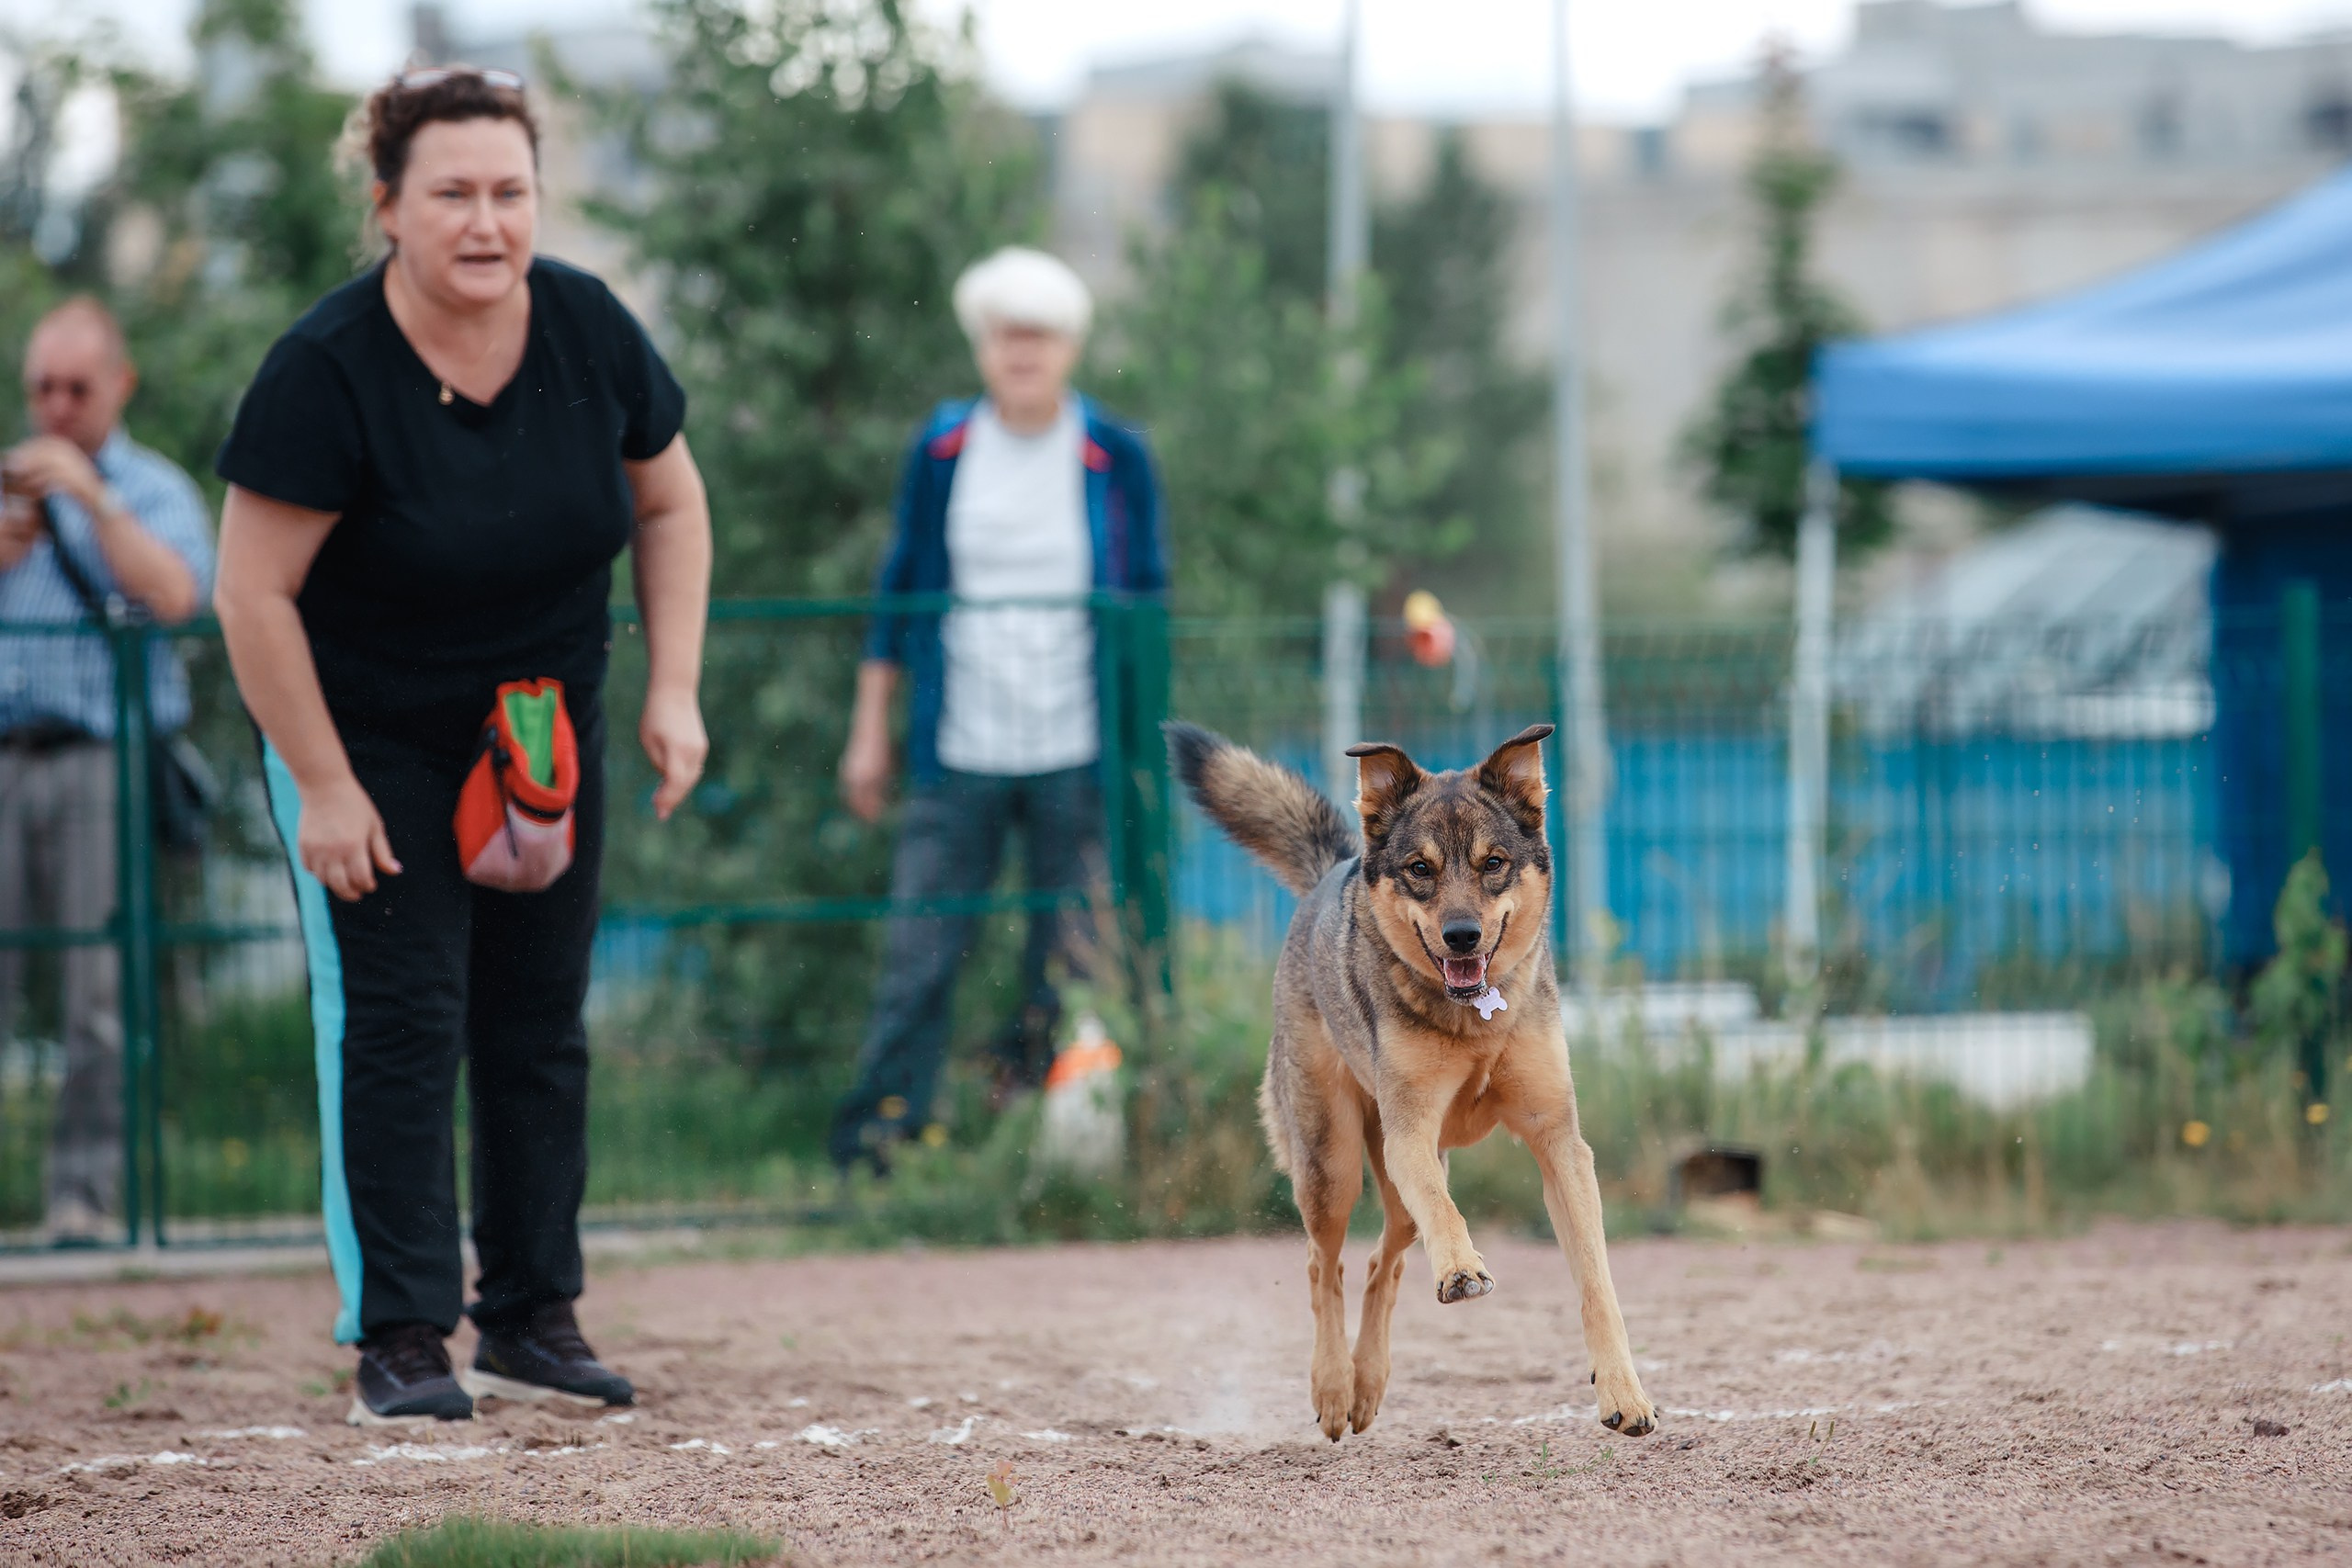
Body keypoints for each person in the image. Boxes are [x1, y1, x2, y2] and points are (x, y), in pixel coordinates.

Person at [210, 68, 711, 1426]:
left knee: (538, 1019)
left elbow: (670, 504)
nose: (486, 222)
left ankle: (533, 1316)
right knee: (405, 1020)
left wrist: (673, 689)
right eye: (452, 194)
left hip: (537, 728)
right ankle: (402, 1336)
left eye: (510, 192)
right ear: (387, 206)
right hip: (365, 738)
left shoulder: (589, 327)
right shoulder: (325, 370)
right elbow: (249, 594)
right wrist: (323, 785)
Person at [830, 246, 1165, 1174]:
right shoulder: (942, 453)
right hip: (958, 747)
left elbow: (1148, 606)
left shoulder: (1116, 457)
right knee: (921, 950)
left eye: (1040, 336)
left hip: (1077, 748)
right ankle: (880, 1144)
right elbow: (899, 590)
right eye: (1006, 335)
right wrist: (870, 728)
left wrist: (1142, 746)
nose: (1023, 353)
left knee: (1072, 956)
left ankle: (1051, 1148)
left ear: (1070, 348)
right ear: (980, 345)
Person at [0, 297, 213, 1246]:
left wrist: (93, 503)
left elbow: (177, 597)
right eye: (41, 387)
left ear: (119, 386)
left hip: (99, 758)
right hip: (7, 753)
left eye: (76, 389)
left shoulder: (154, 490)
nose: (56, 407)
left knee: (96, 991)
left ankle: (82, 1199)